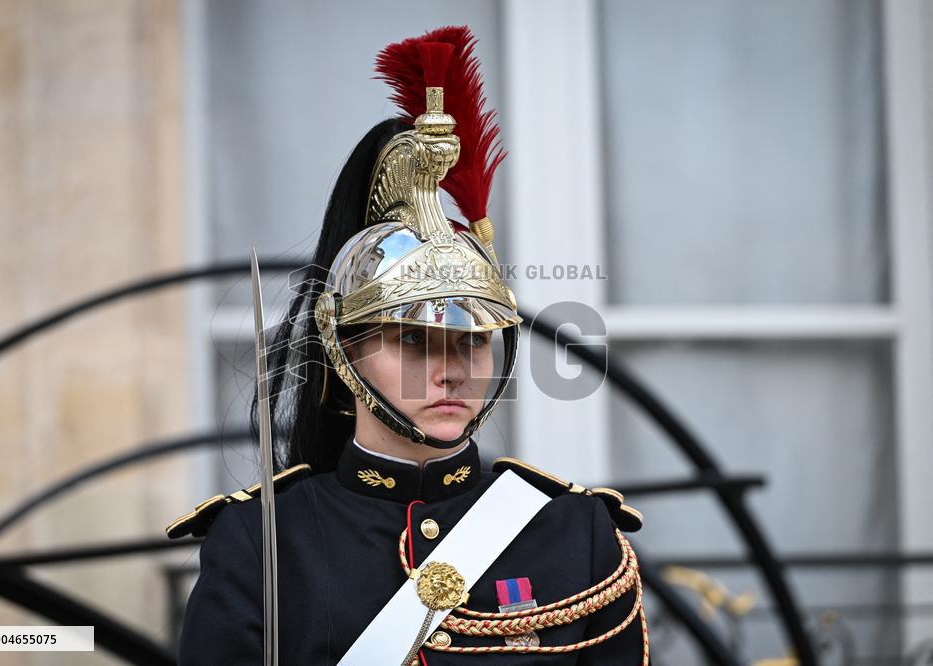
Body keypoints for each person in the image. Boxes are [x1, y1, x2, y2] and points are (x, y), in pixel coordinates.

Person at [168, 26, 649, 665]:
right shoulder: (261, 539)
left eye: (473, 344)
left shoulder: (577, 531)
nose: (451, 374)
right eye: (417, 344)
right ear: (344, 353)